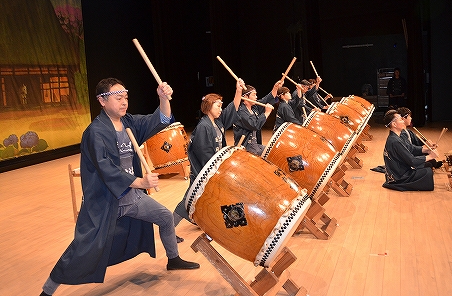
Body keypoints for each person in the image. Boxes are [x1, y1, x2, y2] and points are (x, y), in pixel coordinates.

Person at [40, 78, 199, 296]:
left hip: (131, 197)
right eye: (118, 98)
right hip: (106, 202)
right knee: (83, 248)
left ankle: (173, 259)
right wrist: (141, 182)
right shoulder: (95, 133)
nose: (124, 102)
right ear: (102, 101)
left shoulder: (129, 123)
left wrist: (163, 99)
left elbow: (160, 120)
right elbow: (107, 170)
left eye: (125, 97)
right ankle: (47, 290)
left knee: (163, 216)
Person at [172, 78, 245, 234]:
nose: (221, 109)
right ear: (208, 106)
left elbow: (233, 109)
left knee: (209, 198)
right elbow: (205, 155)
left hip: (214, 169)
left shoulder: (217, 122)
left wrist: (238, 91)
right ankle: (168, 229)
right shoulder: (203, 127)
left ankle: (233, 223)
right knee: (188, 201)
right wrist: (220, 167)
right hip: (203, 171)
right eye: (218, 106)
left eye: (221, 106)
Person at [382, 109, 439, 191]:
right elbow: (412, 161)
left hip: (397, 173)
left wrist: (427, 150)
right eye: (400, 119)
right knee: (427, 172)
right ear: (394, 124)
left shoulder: (395, 138)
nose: (403, 121)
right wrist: (430, 156)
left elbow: (410, 149)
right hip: (399, 176)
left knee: (427, 169)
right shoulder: (395, 141)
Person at [233, 80, 282, 155]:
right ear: (246, 97)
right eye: (254, 95)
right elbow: (255, 125)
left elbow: (267, 99)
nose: (256, 97)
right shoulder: (241, 112)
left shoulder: (254, 107)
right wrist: (267, 113)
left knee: (274, 151)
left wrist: (275, 88)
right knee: (269, 156)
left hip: (255, 146)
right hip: (245, 148)